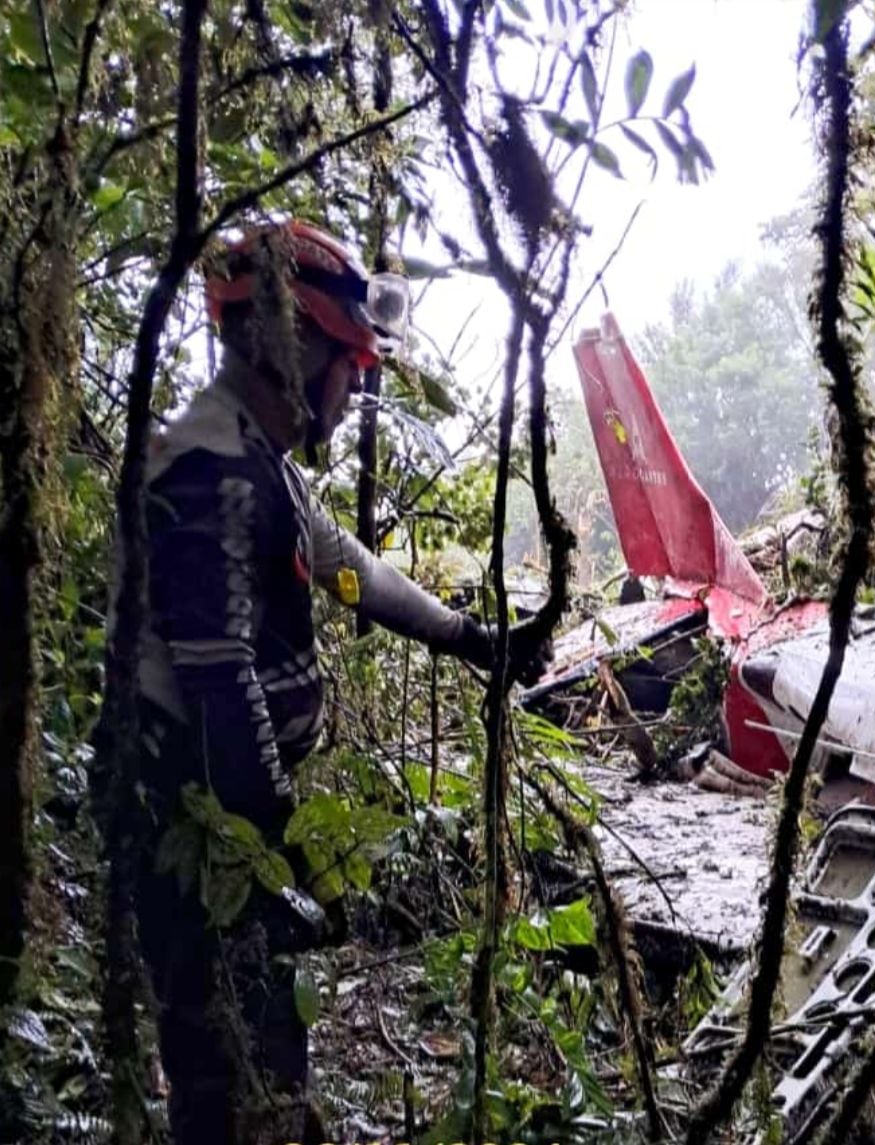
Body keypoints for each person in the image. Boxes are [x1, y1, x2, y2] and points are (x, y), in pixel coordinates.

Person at [128, 220, 531, 1143]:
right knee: (230, 1076)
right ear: (293, 348)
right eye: (349, 368)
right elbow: (221, 685)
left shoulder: (253, 458)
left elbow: (348, 565)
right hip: (206, 842)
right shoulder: (212, 468)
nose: (354, 394)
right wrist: (281, 861)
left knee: (264, 1064)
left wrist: (470, 637)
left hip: (232, 834)